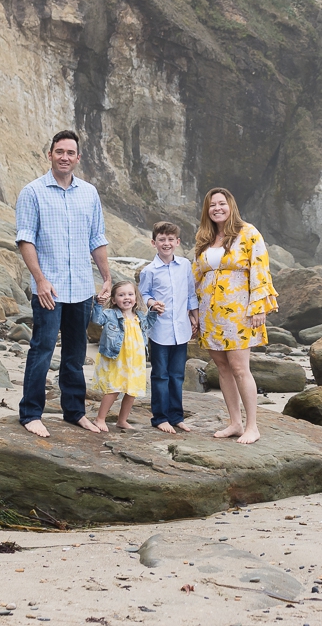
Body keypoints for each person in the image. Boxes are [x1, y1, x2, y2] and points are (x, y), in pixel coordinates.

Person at [15, 129, 112, 437]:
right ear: (50, 155)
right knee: (42, 349)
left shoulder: (89, 193)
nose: (65, 157)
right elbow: (25, 239)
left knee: (75, 352)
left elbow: (96, 239)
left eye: (71, 153)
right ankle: (31, 413)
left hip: (82, 288)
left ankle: (74, 412)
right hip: (50, 289)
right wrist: (40, 280)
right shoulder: (32, 192)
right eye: (60, 152)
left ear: (78, 158)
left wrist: (107, 278)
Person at [193, 188, 278, 444]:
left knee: (240, 368)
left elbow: (260, 270)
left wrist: (259, 307)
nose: (217, 208)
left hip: (238, 311)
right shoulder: (205, 238)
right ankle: (235, 422)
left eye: (222, 203)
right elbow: (196, 276)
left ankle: (253, 426)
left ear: (231, 206)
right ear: (207, 210)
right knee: (222, 367)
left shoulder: (248, 233)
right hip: (210, 311)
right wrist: (193, 311)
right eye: (212, 205)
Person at [139, 221, 197, 434]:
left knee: (177, 375)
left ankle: (176, 416)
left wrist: (195, 316)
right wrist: (152, 303)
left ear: (178, 242)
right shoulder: (149, 271)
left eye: (170, 239)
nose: (166, 243)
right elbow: (143, 294)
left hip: (181, 330)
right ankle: (160, 418)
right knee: (160, 375)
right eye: (161, 240)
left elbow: (191, 294)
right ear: (154, 243)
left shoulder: (184, 266)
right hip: (159, 330)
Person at [90, 280, 150, 431]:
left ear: (136, 297)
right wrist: (98, 304)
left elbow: (149, 325)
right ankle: (100, 418)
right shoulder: (110, 314)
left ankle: (122, 420)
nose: (126, 298)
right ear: (114, 299)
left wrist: (155, 311)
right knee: (114, 388)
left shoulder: (140, 316)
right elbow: (97, 321)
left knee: (132, 390)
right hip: (117, 358)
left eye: (130, 294)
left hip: (135, 359)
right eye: (121, 295)